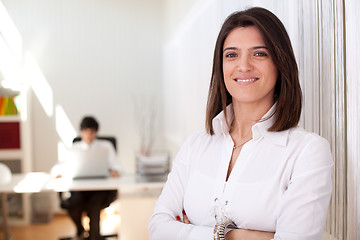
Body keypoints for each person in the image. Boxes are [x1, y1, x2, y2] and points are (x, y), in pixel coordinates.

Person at [148, 7, 333, 240]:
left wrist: (188, 231)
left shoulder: (307, 151)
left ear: (280, 63)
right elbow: (157, 229)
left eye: (259, 54)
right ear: (221, 65)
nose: (243, 66)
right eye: (231, 55)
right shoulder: (196, 145)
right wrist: (231, 236)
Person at [59, 116, 121, 240]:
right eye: (85, 132)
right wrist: (59, 172)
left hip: (100, 190)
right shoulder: (74, 148)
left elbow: (118, 167)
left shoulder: (105, 146)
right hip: (80, 190)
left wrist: (115, 171)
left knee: (95, 204)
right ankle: (80, 231)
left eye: (91, 132)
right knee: (73, 203)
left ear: (96, 133)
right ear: (81, 132)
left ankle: (94, 237)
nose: (88, 135)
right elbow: (60, 167)